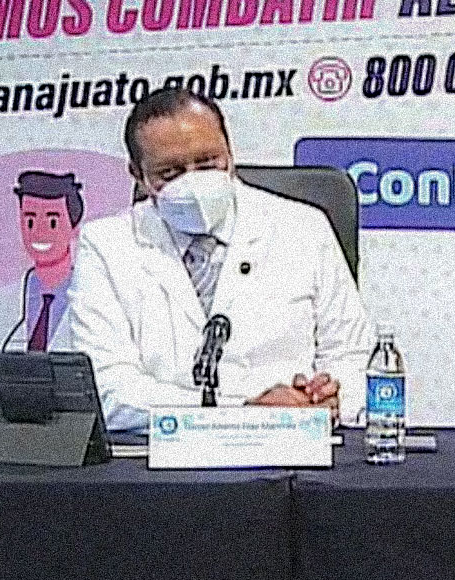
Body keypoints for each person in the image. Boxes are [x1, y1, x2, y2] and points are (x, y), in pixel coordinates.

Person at [64, 87, 373, 431]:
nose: (194, 183)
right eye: (171, 173)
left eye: (208, 163)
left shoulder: (303, 227)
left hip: (296, 448)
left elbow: (352, 356)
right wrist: (237, 413)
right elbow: (107, 390)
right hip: (165, 454)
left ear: (230, 153)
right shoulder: (107, 245)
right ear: (139, 175)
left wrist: (328, 398)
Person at [8, 170, 84, 352]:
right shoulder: (24, 286)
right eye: (30, 222)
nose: (39, 233)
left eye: (52, 223)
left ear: (74, 227)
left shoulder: (87, 288)